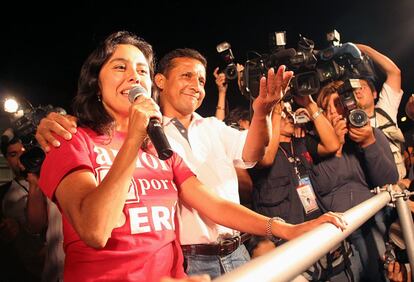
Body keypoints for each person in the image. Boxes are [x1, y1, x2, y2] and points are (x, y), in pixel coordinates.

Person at [36, 31, 347, 281]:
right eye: (120, 67)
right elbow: (94, 230)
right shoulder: (71, 140)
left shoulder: (160, 147)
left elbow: (213, 202)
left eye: (141, 69)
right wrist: (133, 138)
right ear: (96, 83)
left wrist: (284, 228)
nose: (133, 76)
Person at [315, 80, 400, 281]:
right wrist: (335, 145)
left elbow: (389, 178)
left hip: (371, 221)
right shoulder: (316, 145)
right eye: (328, 108)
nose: (335, 113)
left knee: (380, 275)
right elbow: (323, 187)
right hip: (337, 232)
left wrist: (369, 143)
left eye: (338, 105)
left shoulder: (371, 134)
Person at [0, 130, 48, 281]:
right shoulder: (3, 195)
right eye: (13, 155)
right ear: (7, 159)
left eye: (24, 151)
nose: (21, 157)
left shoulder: (53, 180)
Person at [354, 44, 406, 179]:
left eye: (363, 87)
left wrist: (363, 49)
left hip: (398, 188)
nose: (358, 91)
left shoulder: (385, 109)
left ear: (375, 94)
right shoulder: (348, 120)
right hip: (371, 190)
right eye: (354, 89)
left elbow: (394, 72)